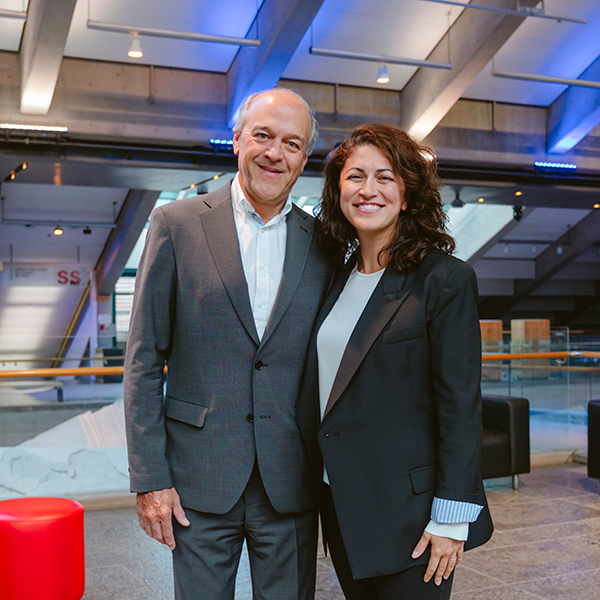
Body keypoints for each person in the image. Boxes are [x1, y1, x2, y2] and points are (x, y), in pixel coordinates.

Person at [124, 88, 332, 600]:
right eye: (262, 135)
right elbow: (144, 359)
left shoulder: (326, 242)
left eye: (291, 143)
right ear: (237, 139)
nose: (274, 153)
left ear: (304, 158)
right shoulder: (176, 225)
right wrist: (150, 477)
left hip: (291, 480)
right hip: (197, 479)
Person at [297, 124, 494, 599]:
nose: (368, 190)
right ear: (338, 191)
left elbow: (460, 406)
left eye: (385, 178)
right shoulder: (335, 278)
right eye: (355, 176)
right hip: (342, 499)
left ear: (406, 195)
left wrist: (451, 516)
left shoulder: (443, 279)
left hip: (414, 512)